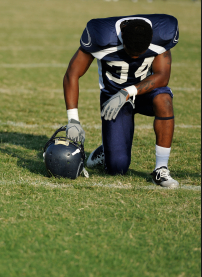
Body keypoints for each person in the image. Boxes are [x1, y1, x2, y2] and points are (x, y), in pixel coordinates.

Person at [63, 14, 179, 187]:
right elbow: (72, 73)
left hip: (145, 91)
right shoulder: (101, 35)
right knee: (118, 168)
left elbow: (162, 76)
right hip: (113, 98)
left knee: (164, 100)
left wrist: (128, 91)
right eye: (130, 52)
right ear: (122, 38)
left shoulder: (162, 32)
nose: (134, 58)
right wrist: (73, 119)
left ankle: (161, 168)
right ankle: (106, 150)